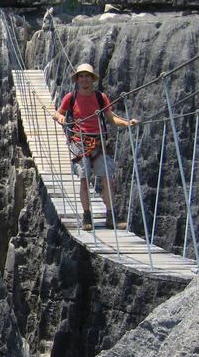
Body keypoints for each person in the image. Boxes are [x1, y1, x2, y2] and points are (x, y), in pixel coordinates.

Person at [52, 63, 138, 231]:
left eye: (87, 76)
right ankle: (86, 216)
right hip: (79, 144)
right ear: (77, 79)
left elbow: (111, 119)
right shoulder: (71, 97)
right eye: (81, 76)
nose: (84, 79)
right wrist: (60, 118)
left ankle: (111, 216)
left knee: (108, 180)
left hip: (98, 144)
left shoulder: (100, 97)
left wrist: (127, 123)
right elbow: (58, 112)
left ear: (92, 79)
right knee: (84, 181)